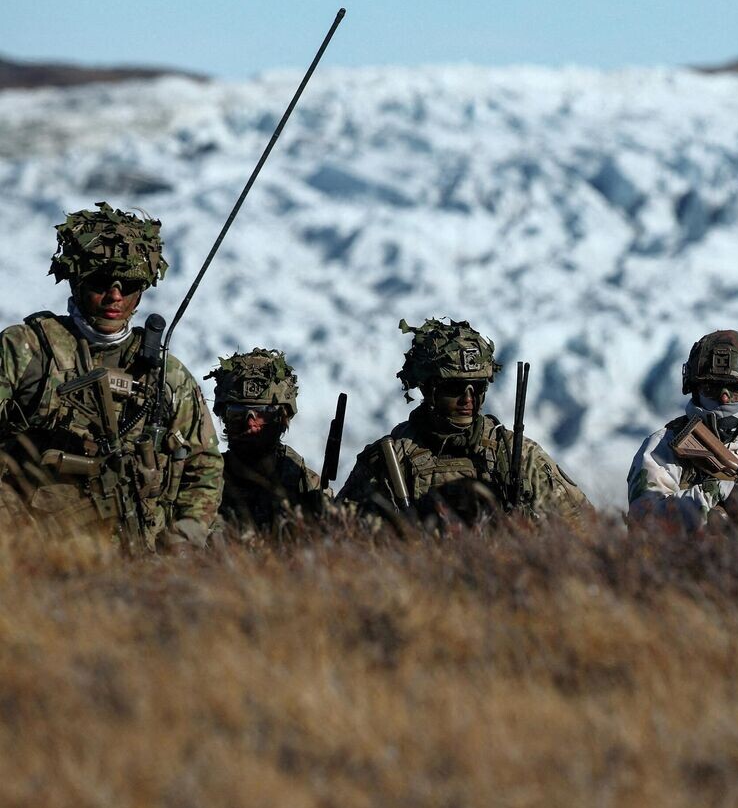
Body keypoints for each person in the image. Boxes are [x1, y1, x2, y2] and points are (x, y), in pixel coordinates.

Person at [0, 202, 222, 550]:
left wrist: (185, 536)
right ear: (76, 281)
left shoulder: (167, 375)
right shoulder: (27, 349)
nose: (115, 296)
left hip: (138, 557)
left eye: (129, 285)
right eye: (101, 282)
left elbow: (203, 464)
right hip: (32, 552)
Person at [338, 318, 589, 530]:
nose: (468, 399)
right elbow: (343, 535)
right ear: (428, 389)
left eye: (478, 387)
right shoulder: (389, 460)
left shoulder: (517, 455)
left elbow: (584, 526)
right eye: (454, 388)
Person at [627, 329, 738, 531]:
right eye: (712, 387)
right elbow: (644, 523)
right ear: (694, 387)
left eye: (735, 388)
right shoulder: (663, 447)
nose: (724, 398)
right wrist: (717, 491)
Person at [207, 348, 324, 541]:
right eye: (237, 414)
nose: (250, 424)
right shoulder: (204, 481)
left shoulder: (304, 483)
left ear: (282, 418)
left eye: (263, 413)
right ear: (224, 418)